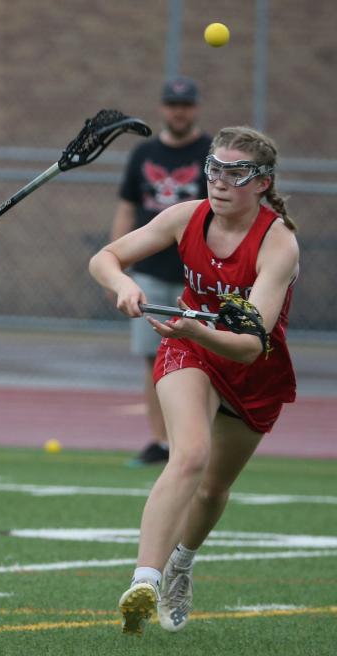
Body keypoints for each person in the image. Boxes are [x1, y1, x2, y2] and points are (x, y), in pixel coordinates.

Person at [90, 126, 297, 636]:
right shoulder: (185, 217)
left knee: (212, 491)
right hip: (189, 348)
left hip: (253, 368)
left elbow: (251, 344)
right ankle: (145, 580)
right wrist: (123, 285)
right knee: (188, 455)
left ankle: (181, 564)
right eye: (214, 168)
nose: (220, 181)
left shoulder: (279, 244)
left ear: (262, 183)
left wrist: (200, 328)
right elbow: (105, 258)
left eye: (236, 172)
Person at [110, 76, 212, 466]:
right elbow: (126, 206)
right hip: (150, 269)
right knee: (153, 358)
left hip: (197, 273)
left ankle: (195, 442)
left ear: (195, 108)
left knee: (203, 357)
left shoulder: (210, 152)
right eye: (172, 105)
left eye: (185, 105)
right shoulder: (144, 153)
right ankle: (160, 442)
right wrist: (118, 266)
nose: (179, 112)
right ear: (163, 108)